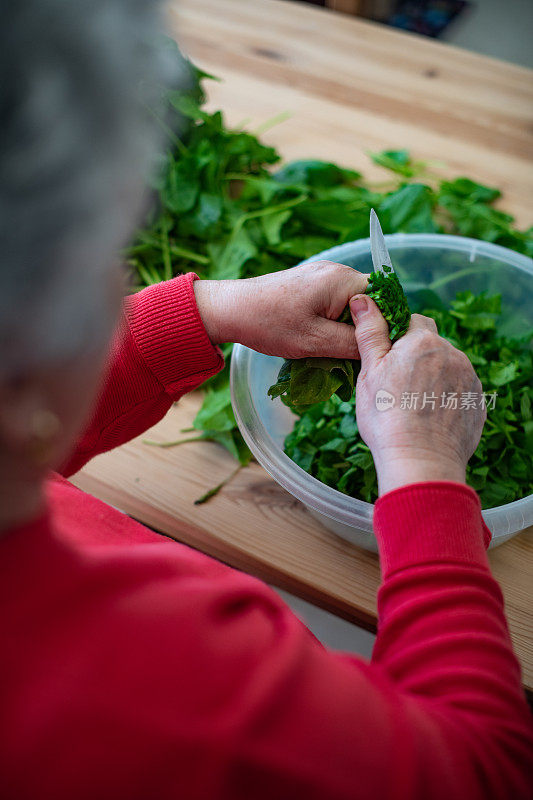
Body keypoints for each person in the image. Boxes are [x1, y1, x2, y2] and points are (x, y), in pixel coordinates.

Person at [0, 2, 531, 799]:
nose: (119, 283)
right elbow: (479, 770)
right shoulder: (179, 683)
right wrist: (424, 468)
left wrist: (198, 315)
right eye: (104, 259)